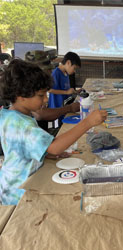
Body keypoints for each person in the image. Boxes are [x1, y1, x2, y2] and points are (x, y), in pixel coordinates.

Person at [0, 59, 107, 205]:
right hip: (18, 192)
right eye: (41, 95)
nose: (45, 100)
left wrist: (45, 152)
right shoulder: (22, 124)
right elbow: (55, 146)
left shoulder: (11, 114)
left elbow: (22, 147)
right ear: (21, 96)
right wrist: (87, 122)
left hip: (11, 183)